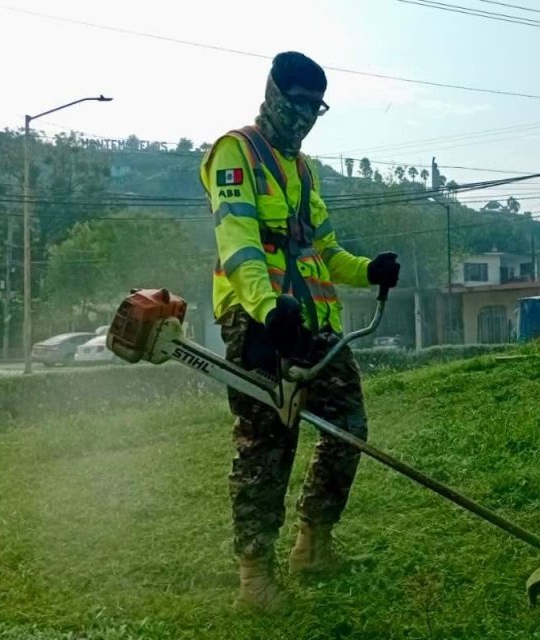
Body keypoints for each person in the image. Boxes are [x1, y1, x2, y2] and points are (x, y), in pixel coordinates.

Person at [200, 51, 400, 612]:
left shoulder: (304, 170)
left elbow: (325, 252)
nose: (306, 115)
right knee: (268, 443)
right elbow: (237, 242)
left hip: (314, 326)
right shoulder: (236, 153)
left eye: (317, 106)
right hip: (260, 323)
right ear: (272, 94)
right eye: (298, 103)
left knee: (348, 426)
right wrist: (268, 308)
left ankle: (314, 544)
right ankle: (253, 578)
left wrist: (368, 271)